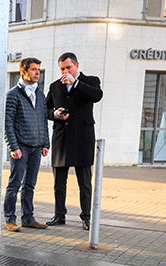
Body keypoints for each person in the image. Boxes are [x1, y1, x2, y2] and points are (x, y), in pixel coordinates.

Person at [45, 52, 103, 230]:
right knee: (59, 182)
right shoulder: (55, 86)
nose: (65, 71)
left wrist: (75, 83)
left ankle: (86, 217)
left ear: (77, 65)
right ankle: (59, 215)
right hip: (61, 138)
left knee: (84, 182)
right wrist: (55, 114)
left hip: (82, 138)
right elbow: (44, 109)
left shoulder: (90, 81)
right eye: (62, 68)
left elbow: (97, 95)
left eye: (68, 67)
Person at [3, 57, 50, 232]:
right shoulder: (13, 94)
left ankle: (28, 218)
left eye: (38, 69)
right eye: (33, 69)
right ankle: (9, 219)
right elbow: (8, 123)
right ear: (24, 72)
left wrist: (45, 143)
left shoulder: (40, 94)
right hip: (20, 147)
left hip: (36, 147)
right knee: (14, 184)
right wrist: (13, 147)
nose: (37, 72)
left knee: (30, 184)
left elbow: (43, 121)